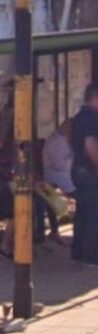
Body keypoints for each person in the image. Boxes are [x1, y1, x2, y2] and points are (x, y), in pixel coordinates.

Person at [70, 83, 98, 266]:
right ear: (95, 97)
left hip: (82, 170)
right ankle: (90, 253)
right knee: (94, 212)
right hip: (91, 172)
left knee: (83, 211)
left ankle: (79, 251)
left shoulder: (85, 117)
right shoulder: (90, 118)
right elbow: (90, 143)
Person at [39, 119, 76, 245]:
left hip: (61, 174)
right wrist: (73, 159)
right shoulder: (56, 141)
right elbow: (59, 164)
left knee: (51, 206)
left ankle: (54, 230)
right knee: (78, 196)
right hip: (55, 175)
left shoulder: (63, 139)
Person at [0, 81, 14, 258]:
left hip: (6, 168)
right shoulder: (9, 113)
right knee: (12, 209)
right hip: (4, 169)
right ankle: (5, 245)